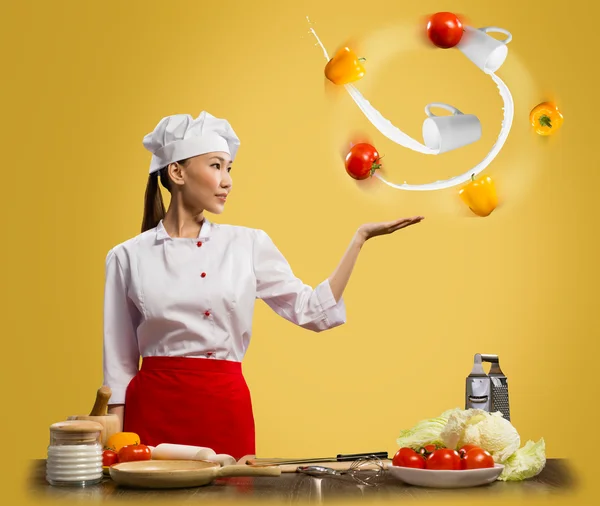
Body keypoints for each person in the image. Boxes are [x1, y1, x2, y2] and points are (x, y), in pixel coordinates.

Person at [103, 111, 424, 460]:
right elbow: (118, 368)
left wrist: (359, 240)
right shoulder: (127, 257)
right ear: (176, 172)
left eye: (229, 169)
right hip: (152, 414)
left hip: (223, 410)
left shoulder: (248, 245)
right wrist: (114, 451)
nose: (227, 181)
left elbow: (311, 311)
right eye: (215, 166)